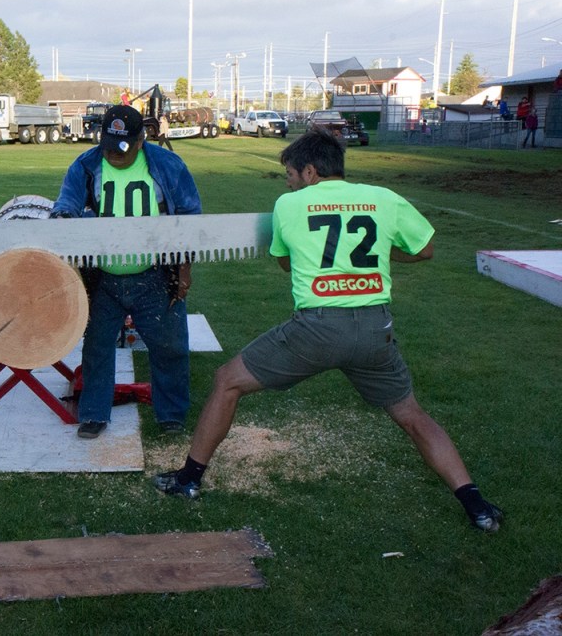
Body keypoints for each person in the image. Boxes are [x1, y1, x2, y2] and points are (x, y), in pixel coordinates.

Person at [154, 127, 503, 533]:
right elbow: (424, 250)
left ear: (311, 171)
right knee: (411, 415)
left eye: (290, 174)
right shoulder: (384, 198)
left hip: (316, 329)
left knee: (226, 381)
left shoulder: (289, 205)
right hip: (376, 329)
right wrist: (376, 257)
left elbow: (286, 263)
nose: (287, 182)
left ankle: (189, 480)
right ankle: (476, 505)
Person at [52, 104, 202, 439]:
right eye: (107, 145)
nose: (113, 154)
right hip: (102, 278)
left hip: (155, 275)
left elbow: (191, 218)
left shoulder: (167, 165)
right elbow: (67, 203)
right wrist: (64, 220)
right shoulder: (86, 165)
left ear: (140, 140)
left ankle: (171, 416)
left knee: (170, 347)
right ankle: (93, 413)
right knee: (96, 348)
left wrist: (185, 269)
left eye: (121, 148)